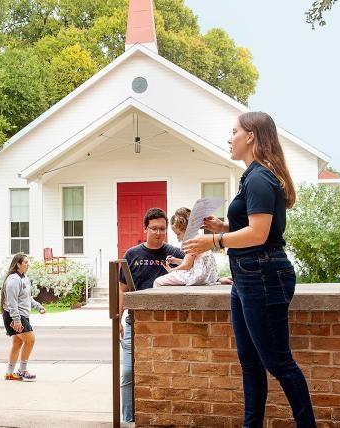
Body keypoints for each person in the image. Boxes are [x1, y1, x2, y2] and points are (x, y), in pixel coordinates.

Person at [183, 112, 315, 427]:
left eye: (234, 132)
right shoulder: (253, 176)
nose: (230, 139)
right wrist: (225, 225)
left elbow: (258, 234)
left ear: (251, 136)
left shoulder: (259, 177)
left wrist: (214, 240)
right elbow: (254, 227)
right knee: (250, 363)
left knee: (279, 363)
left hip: (263, 275)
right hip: (246, 276)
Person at [118, 207, 184, 423]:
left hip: (166, 326)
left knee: (163, 372)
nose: (158, 233)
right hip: (134, 323)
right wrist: (118, 319)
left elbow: (195, 273)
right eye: (154, 228)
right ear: (145, 228)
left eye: (162, 229)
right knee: (128, 373)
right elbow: (122, 289)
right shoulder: (132, 255)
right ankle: (128, 419)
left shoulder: (176, 254)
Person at [1, 253, 45, 382]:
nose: (28, 264)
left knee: (17, 342)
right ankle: (22, 371)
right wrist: (16, 320)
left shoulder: (24, 278)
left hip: (21, 315)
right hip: (15, 316)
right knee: (30, 340)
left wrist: (38, 306)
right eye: (25, 262)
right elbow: (11, 302)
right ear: (18, 264)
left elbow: (27, 297)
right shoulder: (13, 280)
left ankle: (9, 373)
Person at [153, 207, 218, 286]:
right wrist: (175, 260)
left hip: (196, 276)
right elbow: (193, 263)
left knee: (158, 281)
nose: (178, 238)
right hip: (206, 276)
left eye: (178, 234)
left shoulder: (191, 242)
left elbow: (187, 266)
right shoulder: (198, 238)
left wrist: (172, 270)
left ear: (187, 229)